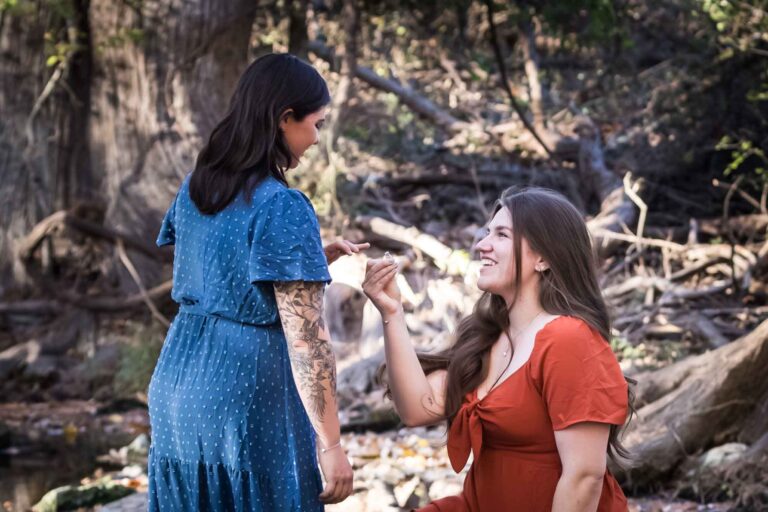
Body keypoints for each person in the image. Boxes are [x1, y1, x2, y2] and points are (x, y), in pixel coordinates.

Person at [147, 53, 366, 511]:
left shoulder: (195, 187)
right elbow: (308, 342)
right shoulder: (281, 204)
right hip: (243, 396)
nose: (316, 139)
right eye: (316, 124)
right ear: (284, 118)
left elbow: (217, 268)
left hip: (177, 385)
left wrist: (306, 262)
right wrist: (332, 447)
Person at [363, 186, 633, 512]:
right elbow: (417, 408)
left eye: (502, 235)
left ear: (544, 257)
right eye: (487, 233)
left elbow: (584, 476)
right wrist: (392, 312)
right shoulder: (490, 336)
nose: (481, 245)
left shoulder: (569, 339)